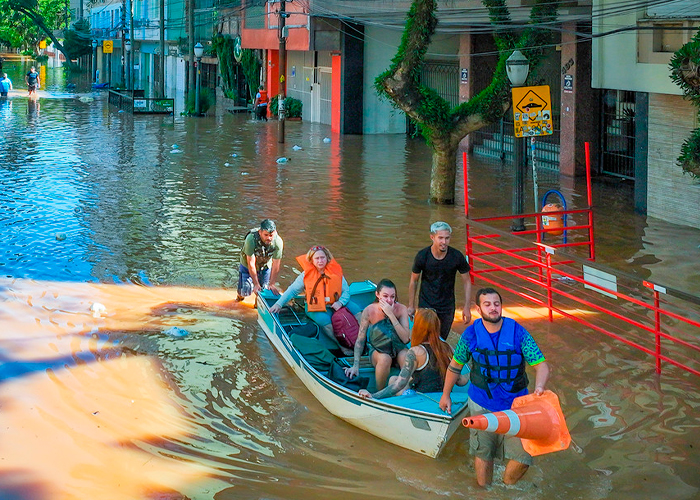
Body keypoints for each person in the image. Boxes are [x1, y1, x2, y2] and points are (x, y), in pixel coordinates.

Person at [440, 287, 551, 488]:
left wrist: (540, 387)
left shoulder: (518, 332)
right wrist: (445, 395)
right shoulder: (470, 335)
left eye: (496, 304)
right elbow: (454, 367)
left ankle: (506, 485)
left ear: (501, 306)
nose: (493, 308)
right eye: (487, 304)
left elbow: (541, 364)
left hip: (517, 406)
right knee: (484, 452)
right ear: (478, 308)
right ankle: (485, 491)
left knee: (523, 457)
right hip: (481, 403)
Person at [269, 245, 361, 356]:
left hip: (336, 303)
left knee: (357, 310)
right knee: (326, 322)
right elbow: (292, 291)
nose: (320, 261)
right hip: (315, 307)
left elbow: (346, 291)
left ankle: (363, 342)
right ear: (312, 260)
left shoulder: (335, 272)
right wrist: (279, 304)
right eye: (317, 258)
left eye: (322, 257)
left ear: (327, 258)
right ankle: (343, 346)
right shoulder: (305, 275)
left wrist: (340, 302)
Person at [357, 308, 468, 398]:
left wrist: (374, 396)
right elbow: (460, 381)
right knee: (393, 379)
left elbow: (398, 385)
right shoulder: (449, 348)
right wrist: (474, 373)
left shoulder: (415, 352)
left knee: (393, 381)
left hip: (422, 398)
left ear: (418, 328)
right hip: (443, 397)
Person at [408, 221, 472, 340]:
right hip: (426, 304)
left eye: (447, 238)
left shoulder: (456, 256)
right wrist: (411, 305)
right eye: (440, 238)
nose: (444, 242)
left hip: (447, 307)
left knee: (440, 340)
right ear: (432, 237)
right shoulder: (422, 256)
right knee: (423, 338)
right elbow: (414, 281)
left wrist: (467, 306)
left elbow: (467, 281)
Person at [345, 279, 410, 390]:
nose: (389, 300)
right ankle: (379, 392)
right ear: (377, 295)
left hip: (398, 347)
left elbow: (405, 339)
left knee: (408, 356)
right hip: (378, 350)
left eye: (392, 297)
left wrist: (391, 315)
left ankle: (407, 390)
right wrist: (356, 365)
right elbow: (360, 340)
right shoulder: (369, 311)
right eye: (385, 296)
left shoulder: (401, 309)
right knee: (385, 359)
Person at [237, 219, 283, 301]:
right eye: (266, 235)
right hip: (247, 265)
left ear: (275, 233)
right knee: (245, 290)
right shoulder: (251, 239)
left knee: (263, 291)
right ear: (260, 232)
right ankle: (239, 298)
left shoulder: (278, 242)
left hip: (265, 265)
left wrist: (272, 284)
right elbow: (251, 263)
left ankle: (257, 307)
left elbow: (276, 264)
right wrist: (256, 284)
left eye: (271, 235)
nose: (268, 238)